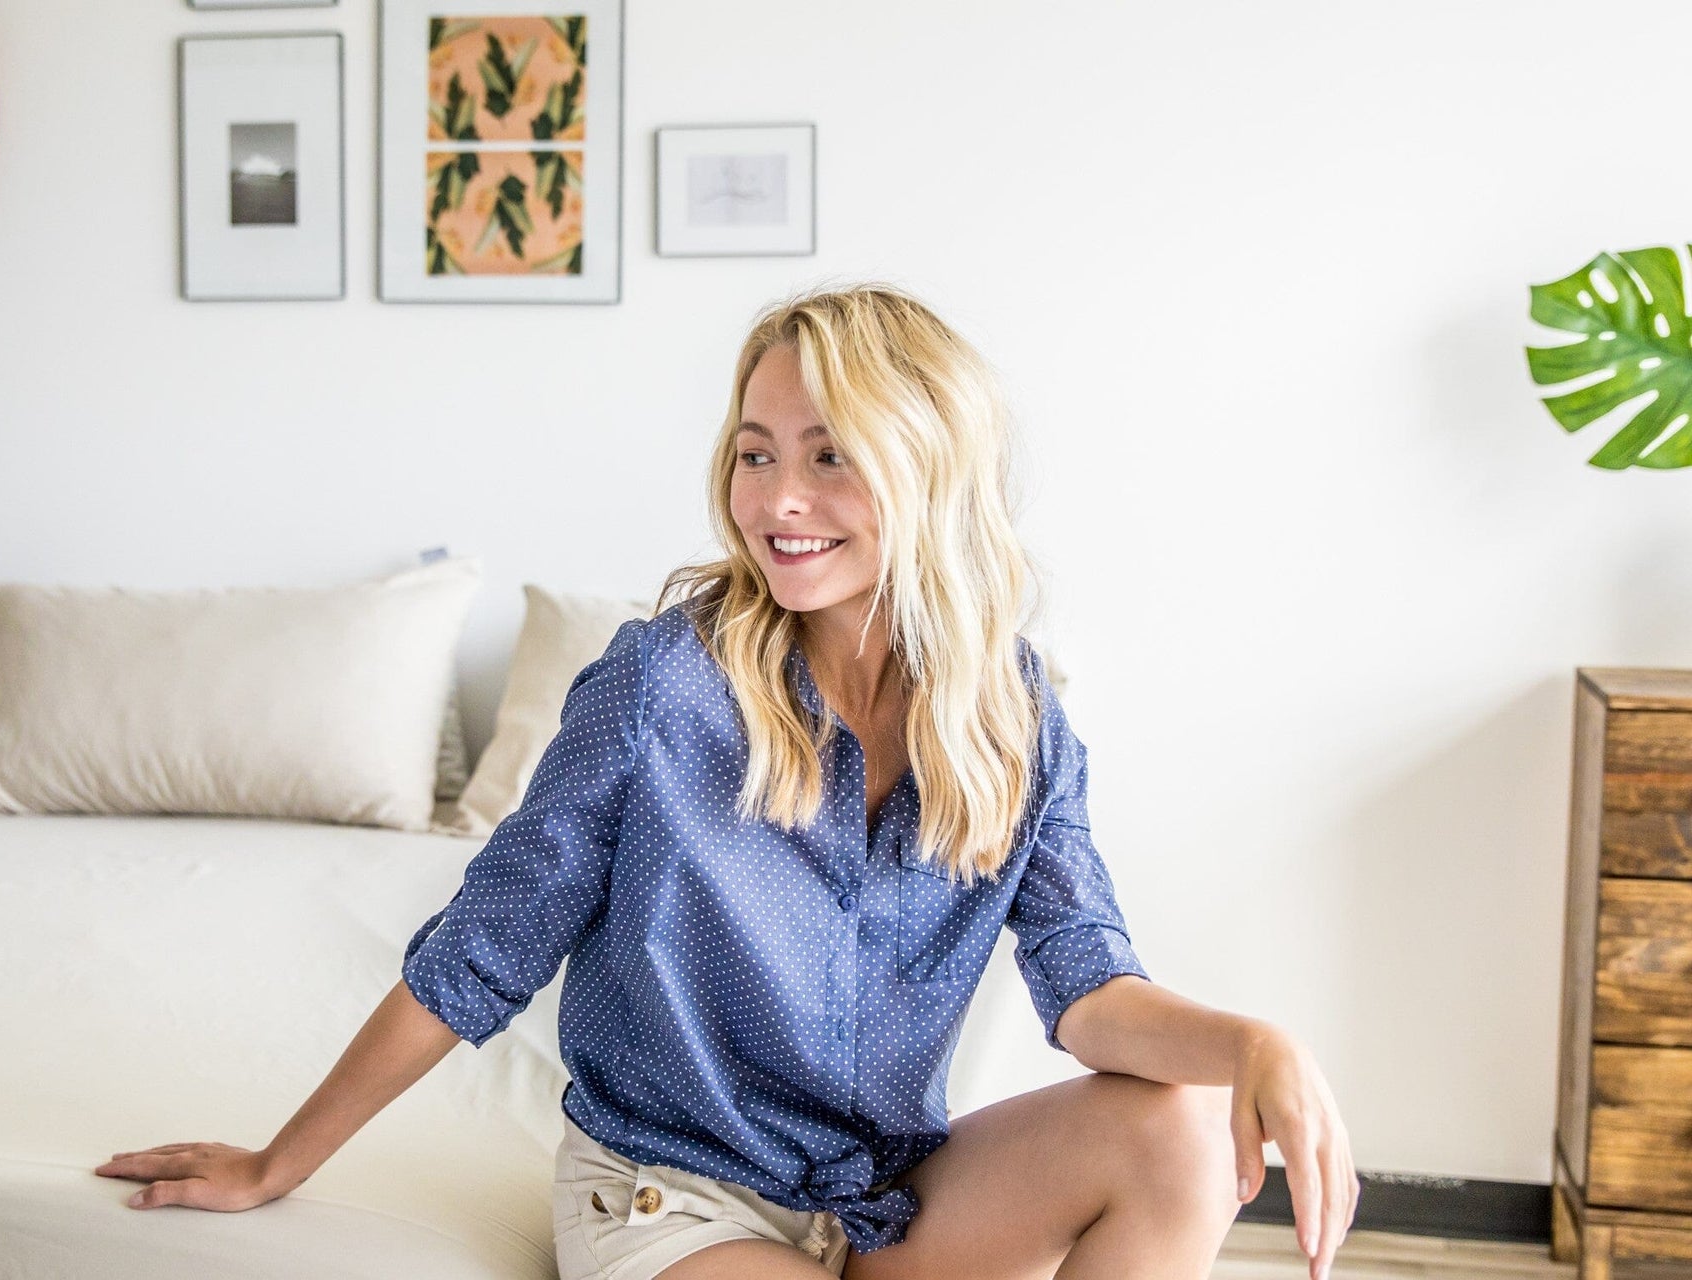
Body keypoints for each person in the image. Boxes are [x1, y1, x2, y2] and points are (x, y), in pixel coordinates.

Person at [95, 283, 1360, 1280]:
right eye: (756, 454)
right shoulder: (660, 688)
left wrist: (1258, 1043)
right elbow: (481, 952)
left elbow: (1088, 988)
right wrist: (275, 1162)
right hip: (671, 1199)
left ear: (927, 471)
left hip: (881, 1195)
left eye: (829, 456)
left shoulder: (1013, 711)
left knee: (1180, 1129)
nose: (778, 500)